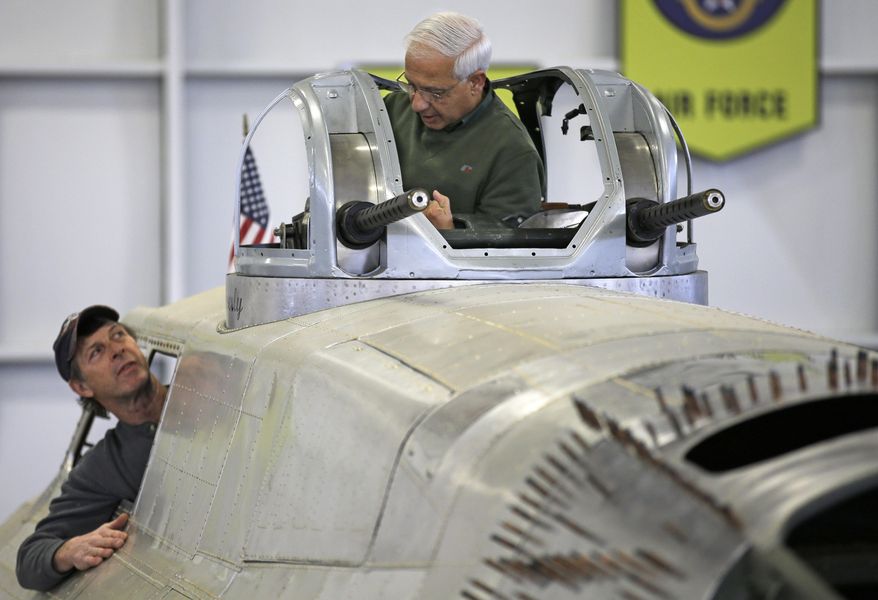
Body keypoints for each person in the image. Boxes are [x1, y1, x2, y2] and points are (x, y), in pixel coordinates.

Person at [16, 305, 167, 592]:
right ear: (82, 388)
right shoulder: (104, 467)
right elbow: (29, 559)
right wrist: (68, 551)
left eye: (118, 335)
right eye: (96, 351)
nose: (116, 350)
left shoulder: (209, 398)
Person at [384, 12, 546, 230]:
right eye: (412, 85)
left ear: (475, 82)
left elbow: (508, 248)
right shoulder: (392, 110)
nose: (417, 104)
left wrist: (450, 230)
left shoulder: (514, 153)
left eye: (436, 92)